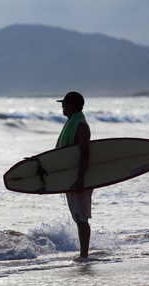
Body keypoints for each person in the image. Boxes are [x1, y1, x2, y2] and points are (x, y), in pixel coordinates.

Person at [56, 91, 92, 261]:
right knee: (78, 218)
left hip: (79, 178)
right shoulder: (71, 123)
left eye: (64, 104)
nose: (62, 107)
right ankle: (83, 254)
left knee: (81, 218)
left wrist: (80, 180)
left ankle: (84, 256)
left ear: (73, 106)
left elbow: (85, 153)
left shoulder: (81, 125)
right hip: (73, 178)